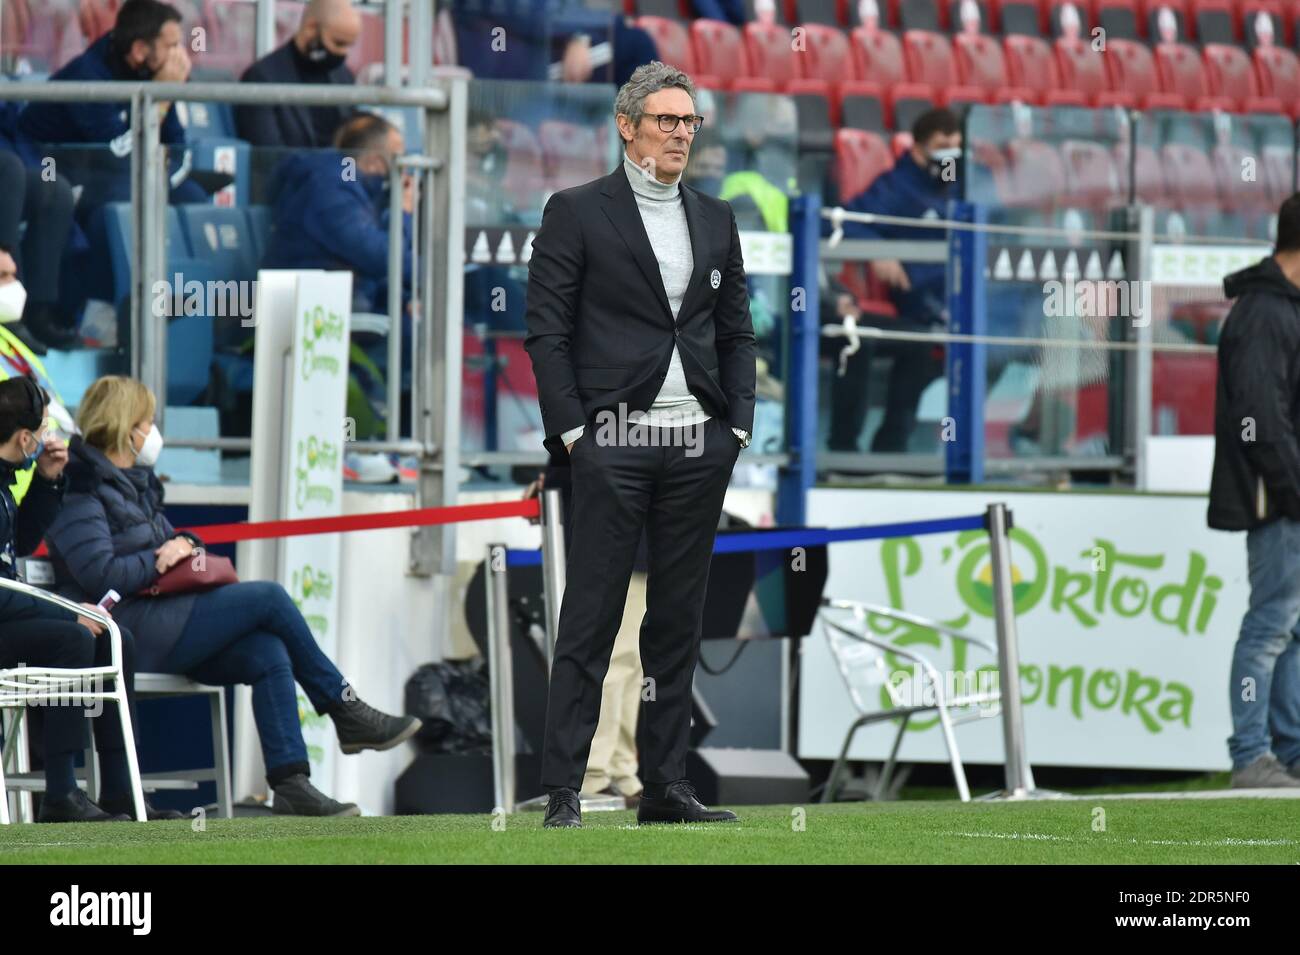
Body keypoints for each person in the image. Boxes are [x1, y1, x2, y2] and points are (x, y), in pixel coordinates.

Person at [524, 61, 755, 827]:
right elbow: (547, 330)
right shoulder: (576, 210)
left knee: (676, 622)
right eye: (666, 120)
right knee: (590, 618)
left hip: (698, 443)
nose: (681, 134)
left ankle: (665, 786)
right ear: (627, 127)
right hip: (609, 444)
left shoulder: (717, 217)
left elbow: (736, 331)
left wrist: (737, 427)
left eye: (689, 122)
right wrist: (575, 433)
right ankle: (565, 788)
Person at [44, 376, 422, 816]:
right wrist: (159, 559)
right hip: (127, 629)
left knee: (267, 649)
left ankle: (291, 781)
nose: (153, 432)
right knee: (270, 598)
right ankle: (345, 709)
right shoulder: (81, 487)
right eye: (148, 421)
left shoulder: (135, 484)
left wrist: (184, 542)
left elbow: (178, 545)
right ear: (127, 427)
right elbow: (100, 573)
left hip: (165, 618)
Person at [0, 375, 179, 822]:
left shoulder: (6, 479)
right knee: (75, 639)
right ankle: (61, 793)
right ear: (24, 438)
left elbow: (19, 541)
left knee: (116, 640)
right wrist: (68, 611)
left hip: (9, 617)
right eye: (42, 430)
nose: (49, 437)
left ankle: (123, 791)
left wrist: (46, 480)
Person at [1207, 193, 1300, 790]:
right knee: (1270, 626)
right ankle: (1250, 755)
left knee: (1288, 627)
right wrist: (1294, 490)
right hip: (1279, 499)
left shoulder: (1278, 308)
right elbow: (1260, 417)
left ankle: (1286, 753)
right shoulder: (1267, 312)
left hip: (1285, 495)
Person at [828, 107, 961, 453]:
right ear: (919, 148)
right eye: (942, 145)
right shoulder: (897, 186)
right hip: (921, 303)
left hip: (958, 299)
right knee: (919, 342)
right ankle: (890, 448)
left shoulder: (955, 189)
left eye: (956, 146)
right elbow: (846, 221)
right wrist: (879, 250)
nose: (951, 154)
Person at [16, 0, 205, 218]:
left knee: (192, 195)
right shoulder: (88, 78)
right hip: (53, 173)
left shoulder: (152, 74)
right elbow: (118, 157)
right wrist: (160, 101)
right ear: (139, 50)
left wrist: (162, 181)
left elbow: (177, 149)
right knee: (127, 196)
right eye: (171, 46)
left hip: (107, 176)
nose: (180, 56)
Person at [262, 113, 413, 317]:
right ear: (374, 163)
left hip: (342, 301)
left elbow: (370, 270)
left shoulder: (349, 179)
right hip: (312, 315)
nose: (404, 174)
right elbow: (385, 258)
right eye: (398, 164)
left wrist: (405, 302)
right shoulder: (331, 189)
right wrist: (403, 210)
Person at [234, 0, 361, 150]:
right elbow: (268, 156)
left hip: (344, 172)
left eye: (348, 46)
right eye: (338, 43)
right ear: (311, 27)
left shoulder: (343, 76)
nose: (343, 53)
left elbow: (355, 142)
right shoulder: (261, 78)